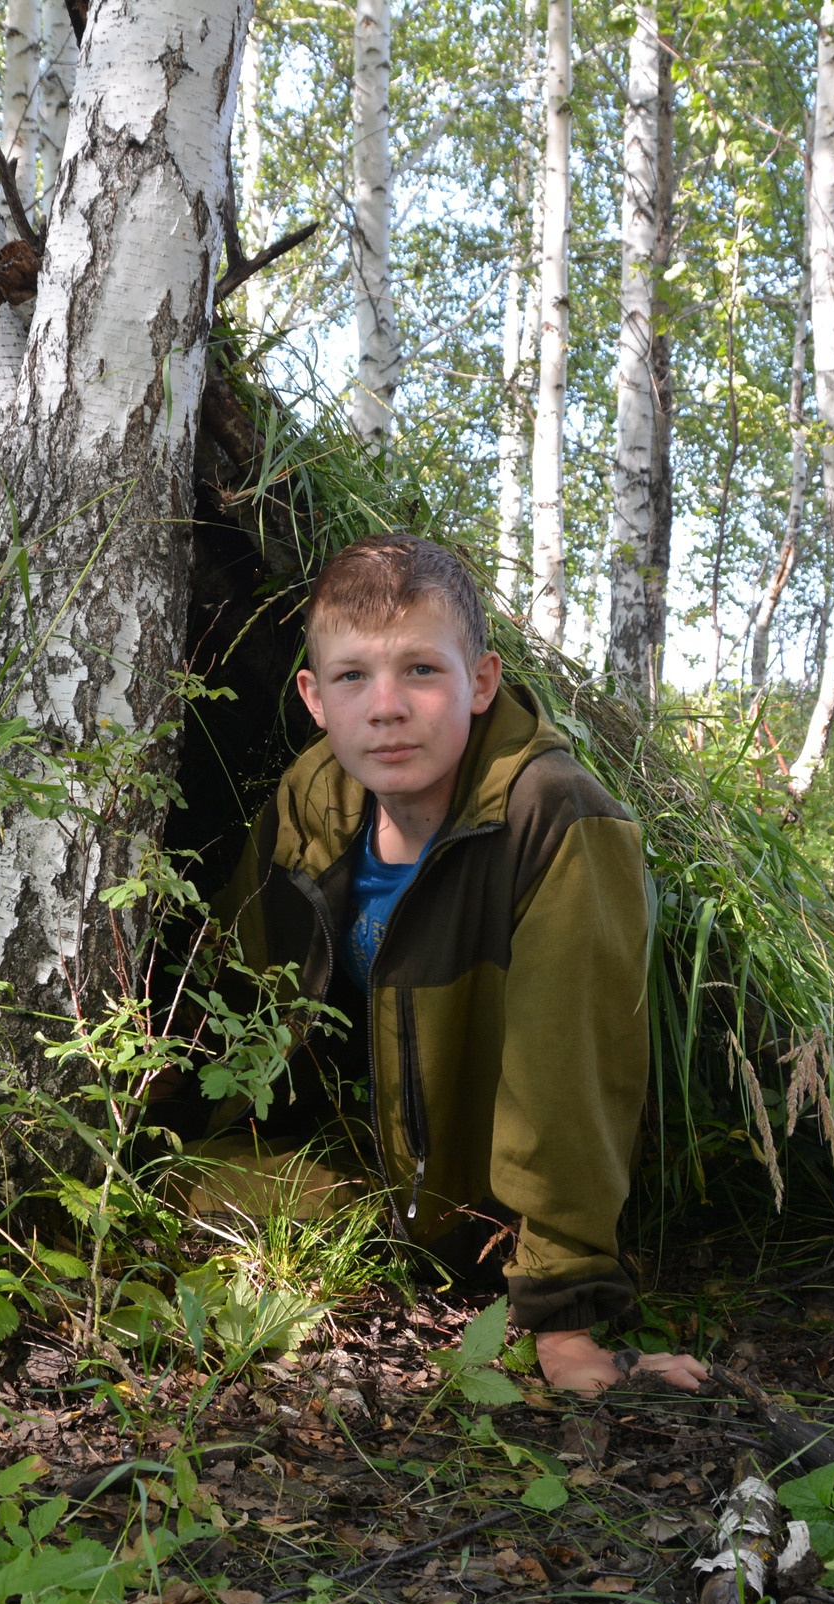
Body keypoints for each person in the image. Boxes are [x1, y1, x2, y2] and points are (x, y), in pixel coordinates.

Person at [187, 534, 708, 1395]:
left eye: (421, 670)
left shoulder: (556, 816)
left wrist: (564, 1323)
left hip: (490, 1214)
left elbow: (571, 1074)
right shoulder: (309, 801)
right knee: (179, 1183)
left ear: (483, 681)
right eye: (352, 676)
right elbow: (235, 994)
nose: (386, 707)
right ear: (314, 697)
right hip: (365, 1178)